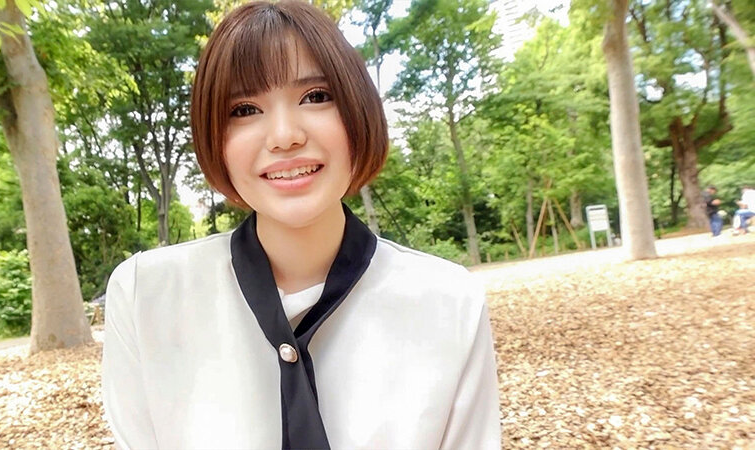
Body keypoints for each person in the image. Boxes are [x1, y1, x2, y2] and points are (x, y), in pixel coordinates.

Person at [101, 2, 501, 449]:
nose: (284, 136)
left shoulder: (449, 302)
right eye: (244, 109)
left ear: (359, 110)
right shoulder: (146, 295)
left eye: (315, 97)